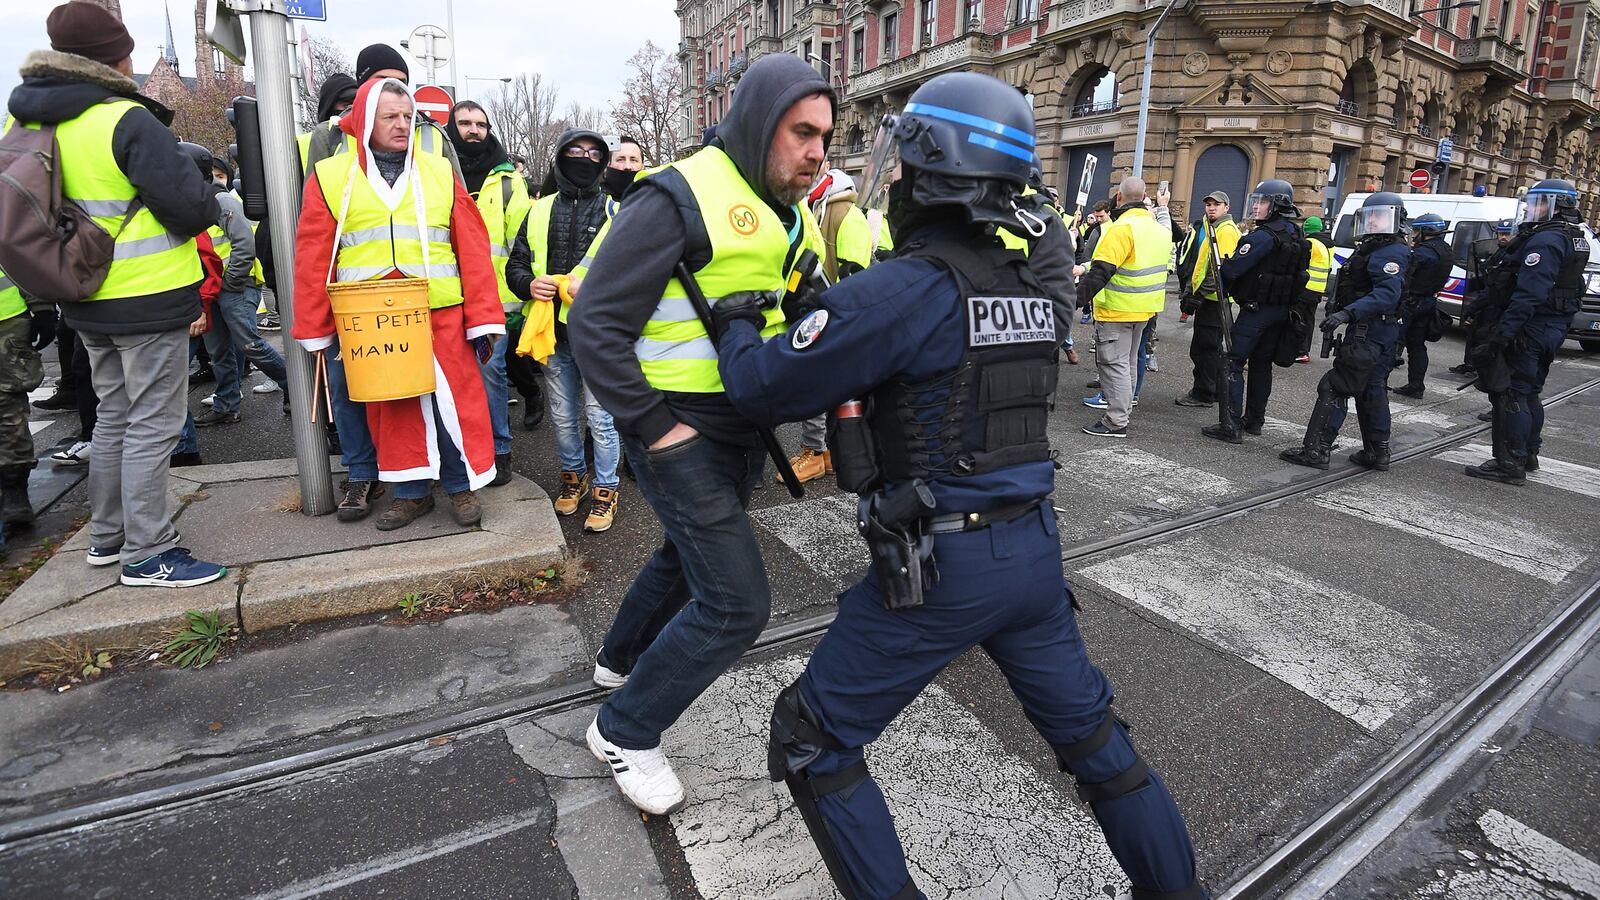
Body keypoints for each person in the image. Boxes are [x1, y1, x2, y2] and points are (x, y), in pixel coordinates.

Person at [715, 71, 1206, 900]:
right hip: (1032, 558)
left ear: (930, 175)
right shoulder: (1025, 291)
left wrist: (737, 319)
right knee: (1093, 745)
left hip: (942, 568)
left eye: (902, 169)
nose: (894, 183)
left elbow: (762, 386)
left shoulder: (905, 289)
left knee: (812, 737)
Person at [567, 53, 833, 815]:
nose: (816, 151)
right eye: (801, 132)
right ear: (758, 124)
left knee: (684, 560)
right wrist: (658, 430)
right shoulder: (675, 197)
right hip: (678, 434)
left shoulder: (792, 208)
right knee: (737, 603)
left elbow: (803, 308)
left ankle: (619, 663)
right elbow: (595, 324)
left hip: (741, 431)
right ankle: (624, 727)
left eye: (825, 135)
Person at [7, 2, 225, 585]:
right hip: (146, 296)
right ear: (116, 56)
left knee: (113, 419)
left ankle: (106, 538)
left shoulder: (34, 123)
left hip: (83, 297)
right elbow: (192, 206)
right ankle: (149, 550)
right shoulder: (123, 119)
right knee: (154, 422)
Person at [292, 78, 504, 530]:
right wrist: (315, 328)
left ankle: (459, 485)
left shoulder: (439, 169)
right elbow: (313, 254)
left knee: (453, 403)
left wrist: (483, 317)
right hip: (370, 318)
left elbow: (472, 245)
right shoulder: (331, 175)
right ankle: (410, 494)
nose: (402, 125)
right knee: (394, 408)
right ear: (366, 120)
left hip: (439, 311)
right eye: (390, 117)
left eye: (407, 116)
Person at [506, 129, 623, 532]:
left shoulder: (615, 211)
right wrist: (527, 284)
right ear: (560, 157)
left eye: (594, 153)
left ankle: (607, 489)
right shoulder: (538, 211)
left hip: (598, 335)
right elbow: (516, 264)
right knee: (563, 416)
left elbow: (635, 273)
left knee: (600, 418)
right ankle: (573, 479)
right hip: (551, 334)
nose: (585, 158)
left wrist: (596, 290)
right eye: (576, 151)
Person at [1462, 180, 1590, 484]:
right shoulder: (1575, 237)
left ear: (1555, 204)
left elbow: (1528, 294)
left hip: (1530, 328)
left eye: (1539, 203)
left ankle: (1510, 461)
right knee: (1531, 392)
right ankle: (1529, 453)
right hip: (1552, 326)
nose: (1532, 209)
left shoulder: (1545, 241)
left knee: (1514, 394)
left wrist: (1502, 334)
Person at [1280, 193, 1411, 471]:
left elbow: (1387, 294)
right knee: (1371, 391)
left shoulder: (1390, 251)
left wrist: (1347, 313)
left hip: (1370, 331)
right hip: (1375, 330)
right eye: (1370, 216)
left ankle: (1316, 450)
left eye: (1380, 216)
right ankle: (1377, 452)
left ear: (1396, 219)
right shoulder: (1376, 248)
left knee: (1335, 386)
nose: (1373, 221)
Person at [173, 143, 289, 428]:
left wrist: (232, 279)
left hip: (234, 285)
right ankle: (226, 405)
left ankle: (293, 386)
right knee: (219, 352)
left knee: (249, 344)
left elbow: (243, 243)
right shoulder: (197, 200)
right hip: (213, 287)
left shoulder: (219, 201)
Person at [447, 100, 531, 486]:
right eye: (465, 123)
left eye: (480, 124)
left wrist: (518, 300)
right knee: (450, 378)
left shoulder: (510, 180)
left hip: (491, 300)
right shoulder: (436, 171)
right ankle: (458, 451)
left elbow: (519, 244)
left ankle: (500, 451)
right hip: (444, 292)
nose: (474, 130)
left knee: (490, 374)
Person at [782, 168, 875, 484]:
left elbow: (854, 272)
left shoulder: (841, 211)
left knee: (817, 385)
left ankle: (816, 453)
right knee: (826, 386)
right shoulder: (824, 208)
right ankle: (824, 453)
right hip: (826, 311)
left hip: (831, 314)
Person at [1201, 180, 1309, 444]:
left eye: (1263, 202)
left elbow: (1232, 270)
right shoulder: (1294, 233)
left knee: (1231, 362)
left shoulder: (1262, 236)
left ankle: (1230, 425)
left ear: (1277, 206)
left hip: (1256, 310)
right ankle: (1254, 420)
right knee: (1261, 365)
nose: (1257, 207)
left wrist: (1228, 268)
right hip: (1281, 310)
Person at [1077, 177, 1171, 438]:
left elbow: (1100, 273)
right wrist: (1163, 206)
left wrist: (1072, 301)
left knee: (1114, 364)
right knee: (1128, 363)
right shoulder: (1158, 229)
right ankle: (1123, 411)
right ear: (1143, 197)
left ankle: (1116, 420)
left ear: (1119, 197)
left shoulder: (1121, 228)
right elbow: (1166, 223)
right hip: (1145, 309)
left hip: (1117, 309)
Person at [1174, 191, 1239, 407]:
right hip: (1210, 299)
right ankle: (1217, 390)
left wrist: (1198, 295)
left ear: (1226, 207)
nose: (1211, 208)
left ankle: (1204, 394)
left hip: (1214, 300)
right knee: (1210, 348)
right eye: (1209, 204)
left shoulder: (1226, 231)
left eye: (1216, 205)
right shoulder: (1213, 228)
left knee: (1205, 349)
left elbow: (1220, 269)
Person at [0, 266, 53, 530]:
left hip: (5, 323)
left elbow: (18, 247)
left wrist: (42, 305)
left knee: (8, 411)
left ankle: (13, 489)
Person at [1389, 212, 1452, 398]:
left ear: (1426, 231)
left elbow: (1405, 274)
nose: (1414, 234)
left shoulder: (1423, 252)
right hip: (1428, 302)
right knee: (1417, 346)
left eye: (1416, 230)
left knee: (1391, 341)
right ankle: (1416, 385)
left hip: (1411, 303)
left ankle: (1378, 383)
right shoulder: (1445, 249)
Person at [1450, 218, 1516, 377]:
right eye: (1501, 233)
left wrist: (1473, 307)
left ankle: (1481, 369)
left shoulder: (1512, 256)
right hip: (1488, 302)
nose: (1503, 237)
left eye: (1508, 234)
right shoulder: (1499, 252)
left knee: (1485, 336)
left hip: (1497, 304)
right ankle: (1471, 364)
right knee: (1475, 333)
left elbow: (1494, 285)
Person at [1295, 215, 1333, 363]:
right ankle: (1305, 351)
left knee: (1298, 319)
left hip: (1306, 286)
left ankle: (1299, 350)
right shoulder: (1330, 244)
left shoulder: (1311, 243)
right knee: (1309, 320)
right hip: (1319, 287)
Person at [605, 135, 644, 207]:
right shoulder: (594, 200)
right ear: (608, 163)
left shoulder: (656, 200)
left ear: (642, 165)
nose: (627, 166)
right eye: (621, 159)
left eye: (633, 160)